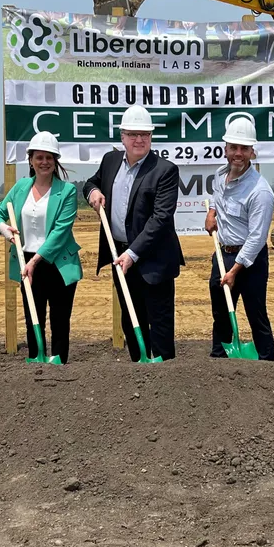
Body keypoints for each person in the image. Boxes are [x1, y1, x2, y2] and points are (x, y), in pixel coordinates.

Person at [83, 104, 184, 361]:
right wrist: (92, 192)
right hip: (120, 256)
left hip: (154, 261)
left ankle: (164, 376)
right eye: (133, 134)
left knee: (159, 325)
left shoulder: (165, 171)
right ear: (122, 137)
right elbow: (91, 183)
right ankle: (139, 371)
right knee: (131, 318)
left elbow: (160, 219)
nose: (139, 139)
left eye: (145, 134)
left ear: (151, 137)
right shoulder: (110, 160)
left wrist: (133, 252)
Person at [0, 131, 82, 364]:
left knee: (60, 320)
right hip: (26, 260)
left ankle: (60, 363)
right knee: (34, 317)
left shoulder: (67, 191)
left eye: (49, 158)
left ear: (55, 161)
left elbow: (60, 232)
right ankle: (36, 362)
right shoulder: (20, 187)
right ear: (31, 160)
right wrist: (4, 229)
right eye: (39, 157)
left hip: (57, 262)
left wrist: (34, 262)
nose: (44, 162)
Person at [203, 117, 274, 360]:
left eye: (244, 149)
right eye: (233, 147)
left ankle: (267, 361)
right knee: (221, 312)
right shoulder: (219, 175)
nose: (238, 154)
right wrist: (212, 212)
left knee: (256, 314)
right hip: (222, 253)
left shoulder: (260, 191)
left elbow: (256, 239)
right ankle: (219, 358)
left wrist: (234, 271)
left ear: (252, 152)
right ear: (225, 148)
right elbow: (217, 197)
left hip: (250, 260)